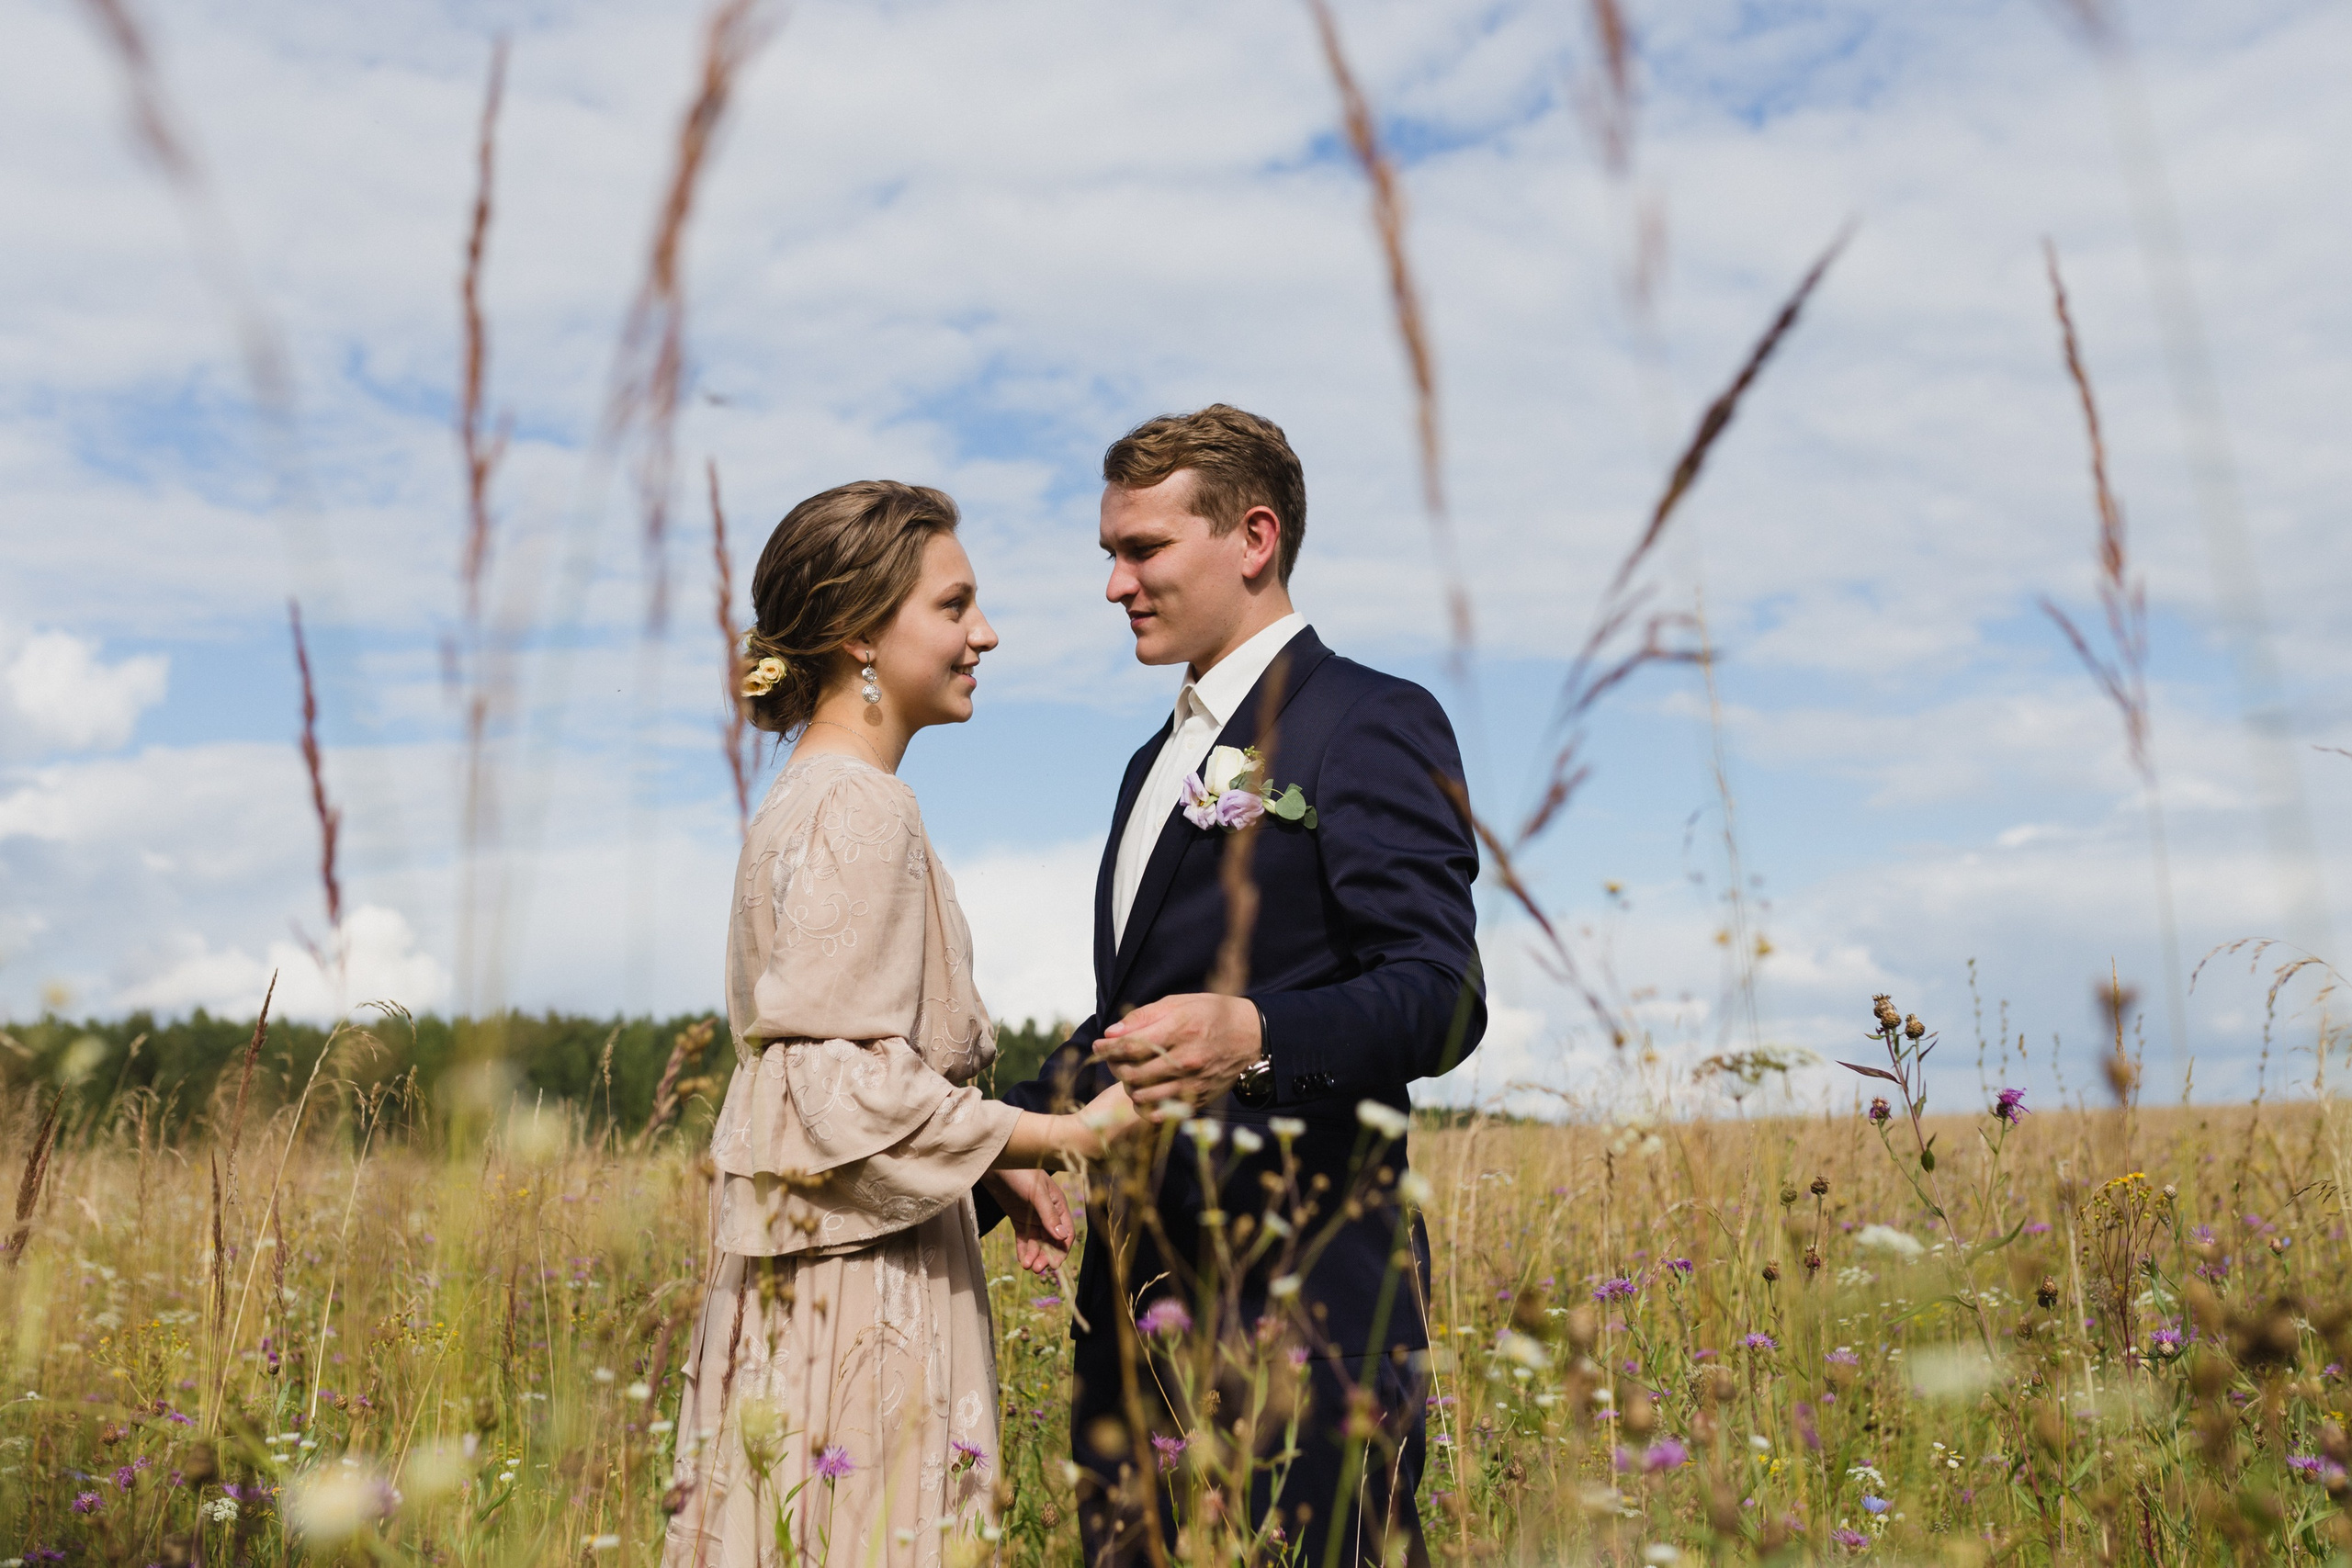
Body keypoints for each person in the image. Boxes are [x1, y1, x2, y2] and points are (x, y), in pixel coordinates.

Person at [978, 405, 1486, 1567]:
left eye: (1141, 549)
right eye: (1110, 552)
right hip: (1136, 1319)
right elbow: (1136, 1022)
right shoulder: (1148, 766)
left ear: (1252, 537)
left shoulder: (1371, 720)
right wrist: (1006, 1132)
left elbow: (1441, 992)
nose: (1114, 584)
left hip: (1307, 1310)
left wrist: (1258, 1033)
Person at [662, 479, 1134, 1568]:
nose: (985, 633)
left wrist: (980, 1162)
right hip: (861, 1286)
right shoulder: (863, 807)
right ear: (859, 634)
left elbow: (826, 1073)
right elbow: (828, 1088)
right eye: (955, 605)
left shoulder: (799, 796)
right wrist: (1065, 1136)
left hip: (807, 1271)